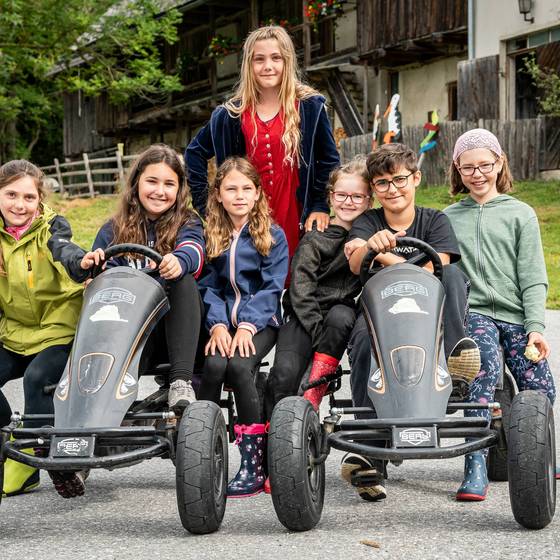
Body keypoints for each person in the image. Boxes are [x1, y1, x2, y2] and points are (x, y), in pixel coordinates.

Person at [342, 143, 481, 502]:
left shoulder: (434, 220)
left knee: (452, 276)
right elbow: (357, 261)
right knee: (360, 341)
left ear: (415, 179)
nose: (393, 189)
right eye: (383, 183)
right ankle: (369, 447)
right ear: (374, 189)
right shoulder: (369, 222)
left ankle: (455, 361)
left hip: (429, 314)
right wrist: (370, 245)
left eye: (400, 179)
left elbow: (441, 262)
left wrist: (385, 257)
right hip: (381, 313)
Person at [444, 128, 556, 501]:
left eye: (485, 165)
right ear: (457, 170)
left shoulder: (519, 213)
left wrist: (535, 328)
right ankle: (475, 463)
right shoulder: (447, 218)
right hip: (474, 313)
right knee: (482, 371)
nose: (477, 174)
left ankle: (540, 452)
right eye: (468, 168)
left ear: (499, 163)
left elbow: (534, 277)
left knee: (539, 382)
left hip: (516, 315)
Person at [185, 25, 340, 258]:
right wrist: (207, 206)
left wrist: (319, 205)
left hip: (295, 208)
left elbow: (329, 160)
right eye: (259, 59)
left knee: (295, 276)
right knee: (253, 274)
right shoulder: (231, 114)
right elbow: (194, 153)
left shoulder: (310, 106)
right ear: (249, 64)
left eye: (276, 58)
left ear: (287, 61)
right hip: (249, 210)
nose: (268, 66)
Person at [197, 157, 288, 498]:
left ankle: (253, 462)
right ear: (218, 194)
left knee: (238, 366)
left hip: (262, 322)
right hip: (221, 322)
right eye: (231, 188)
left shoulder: (271, 235)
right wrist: (218, 325)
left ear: (257, 194)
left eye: (246, 188)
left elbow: (271, 286)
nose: (239, 195)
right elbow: (208, 286)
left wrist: (247, 326)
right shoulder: (211, 234)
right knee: (214, 364)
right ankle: (202, 449)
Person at [0, 160, 91, 499]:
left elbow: (64, 250)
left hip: (58, 327)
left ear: (39, 201)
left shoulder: (52, 227)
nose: (19, 205)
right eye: (10, 194)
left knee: (37, 378)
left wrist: (80, 263)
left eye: (28, 197)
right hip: (14, 330)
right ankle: (13, 438)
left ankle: (41, 457)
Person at [91, 144, 205, 412]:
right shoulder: (114, 228)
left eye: (169, 184)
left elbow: (194, 250)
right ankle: (101, 393)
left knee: (182, 279)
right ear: (137, 182)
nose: (160, 191)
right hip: (134, 335)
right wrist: (96, 270)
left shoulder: (188, 223)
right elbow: (102, 268)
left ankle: (180, 381)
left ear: (179, 190)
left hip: (180, 333)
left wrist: (179, 261)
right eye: (152, 181)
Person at [266, 156, 371, 417]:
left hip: (339, 314)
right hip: (304, 315)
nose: (348, 202)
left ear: (369, 200)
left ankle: (314, 390)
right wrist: (315, 332)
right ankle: (271, 434)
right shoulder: (315, 238)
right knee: (284, 375)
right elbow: (300, 289)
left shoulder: (368, 238)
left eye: (357, 197)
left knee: (341, 315)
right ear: (331, 196)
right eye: (342, 195)